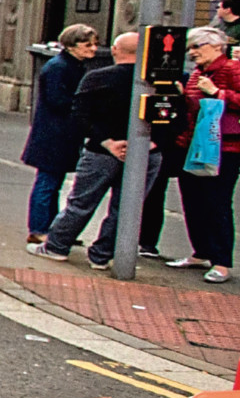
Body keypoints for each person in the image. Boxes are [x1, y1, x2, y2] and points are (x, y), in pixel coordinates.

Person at [33, 32, 155, 263]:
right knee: (126, 207)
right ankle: (102, 255)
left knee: (81, 202)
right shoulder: (155, 81)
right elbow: (172, 117)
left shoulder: (98, 77)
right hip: (146, 151)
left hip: (102, 150)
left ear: (115, 50)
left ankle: (57, 246)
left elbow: (80, 115)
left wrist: (107, 142)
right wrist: (149, 144)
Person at [167, 25, 240, 285]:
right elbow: (193, 106)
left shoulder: (235, 69)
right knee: (192, 200)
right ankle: (201, 252)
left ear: (216, 46)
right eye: (190, 48)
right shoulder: (198, 73)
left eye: (197, 47)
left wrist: (218, 92)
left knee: (217, 202)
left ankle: (222, 262)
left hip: (224, 149)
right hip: (193, 144)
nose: (192, 53)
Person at [20, 23, 100, 241]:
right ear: (72, 45)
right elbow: (57, 100)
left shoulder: (73, 65)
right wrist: (83, 104)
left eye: (94, 44)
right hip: (53, 134)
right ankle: (38, 229)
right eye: (87, 44)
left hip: (61, 133)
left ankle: (51, 228)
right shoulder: (59, 67)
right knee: (47, 182)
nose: (93, 49)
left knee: (53, 183)